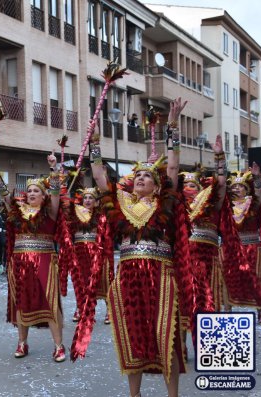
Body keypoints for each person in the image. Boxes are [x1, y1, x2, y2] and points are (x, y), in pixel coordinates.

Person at [72, 98, 195, 397]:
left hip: (161, 277)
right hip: (128, 277)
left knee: (166, 337)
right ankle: (134, 394)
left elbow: (174, 165)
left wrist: (173, 126)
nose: (141, 178)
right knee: (133, 335)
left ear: (156, 184)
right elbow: (100, 175)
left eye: (147, 176)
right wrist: (96, 140)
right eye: (137, 175)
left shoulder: (164, 202)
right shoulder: (121, 203)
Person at [0, 152, 65, 362]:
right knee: (21, 301)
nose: (31, 193)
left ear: (43, 196)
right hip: (20, 262)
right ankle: (22, 343)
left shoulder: (50, 212)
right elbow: (5, 196)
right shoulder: (17, 210)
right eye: (29, 190)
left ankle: (58, 345)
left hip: (45, 261)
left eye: (36, 191)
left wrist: (54, 169)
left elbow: (57, 193)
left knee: (50, 301)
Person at [177, 136, 226, 313]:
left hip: (208, 263)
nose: (187, 188)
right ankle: (181, 342)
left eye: (192, 185)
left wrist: (220, 158)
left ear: (200, 189)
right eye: (184, 186)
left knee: (209, 307)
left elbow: (220, 185)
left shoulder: (211, 204)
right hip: (182, 263)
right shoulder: (175, 207)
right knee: (181, 313)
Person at [219, 163, 261, 325]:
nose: (237, 189)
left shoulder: (252, 202)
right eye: (234, 186)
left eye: (241, 186)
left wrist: (256, 178)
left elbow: (260, 194)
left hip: (251, 247)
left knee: (255, 280)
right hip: (230, 248)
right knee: (227, 279)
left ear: (247, 190)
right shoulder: (226, 207)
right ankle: (227, 311)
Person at [65, 187, 114, 325]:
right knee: (81, 280)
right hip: (79, 252)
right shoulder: (75, 215)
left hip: (96, 252)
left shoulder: (101, 217)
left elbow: (107, 236)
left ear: (96, 202)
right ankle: (80, 307)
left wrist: (105, 253)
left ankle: (109, 309)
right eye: (85, 198)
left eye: (90, 198)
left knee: (103, 280)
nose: (87, 200)